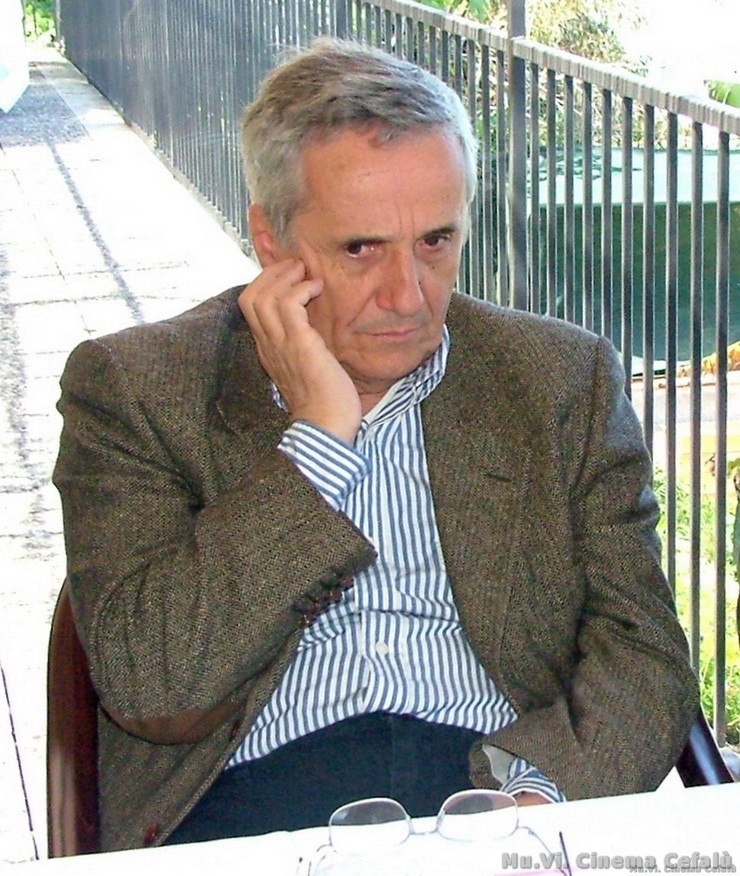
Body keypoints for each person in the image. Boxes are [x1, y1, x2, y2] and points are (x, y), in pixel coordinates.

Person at [53, 37, 699, 853]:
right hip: (248, 802)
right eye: (361, 248)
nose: (407, 295)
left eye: (435, 241)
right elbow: (152, 683)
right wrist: (319, 440)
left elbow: (644, 652)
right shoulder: (138, 388)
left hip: (493, 786)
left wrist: (539, 799)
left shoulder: (560, 380)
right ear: (272, 241)